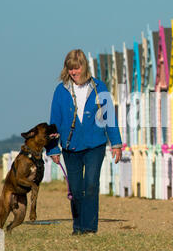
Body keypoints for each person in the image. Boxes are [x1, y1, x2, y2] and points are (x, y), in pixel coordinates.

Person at [46, 49, 122, 235]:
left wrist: (116, 144)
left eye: (77, 68)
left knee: (90, 185)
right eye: (71, 69)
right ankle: (78, 226)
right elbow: (54, 121)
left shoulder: (99, 87)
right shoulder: (61, 90)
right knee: (76, 189)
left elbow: (109, 117)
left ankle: (89, 228)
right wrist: (52, 148)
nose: (74, 72)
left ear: (84, 66)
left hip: (95, 145)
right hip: (70, 147)